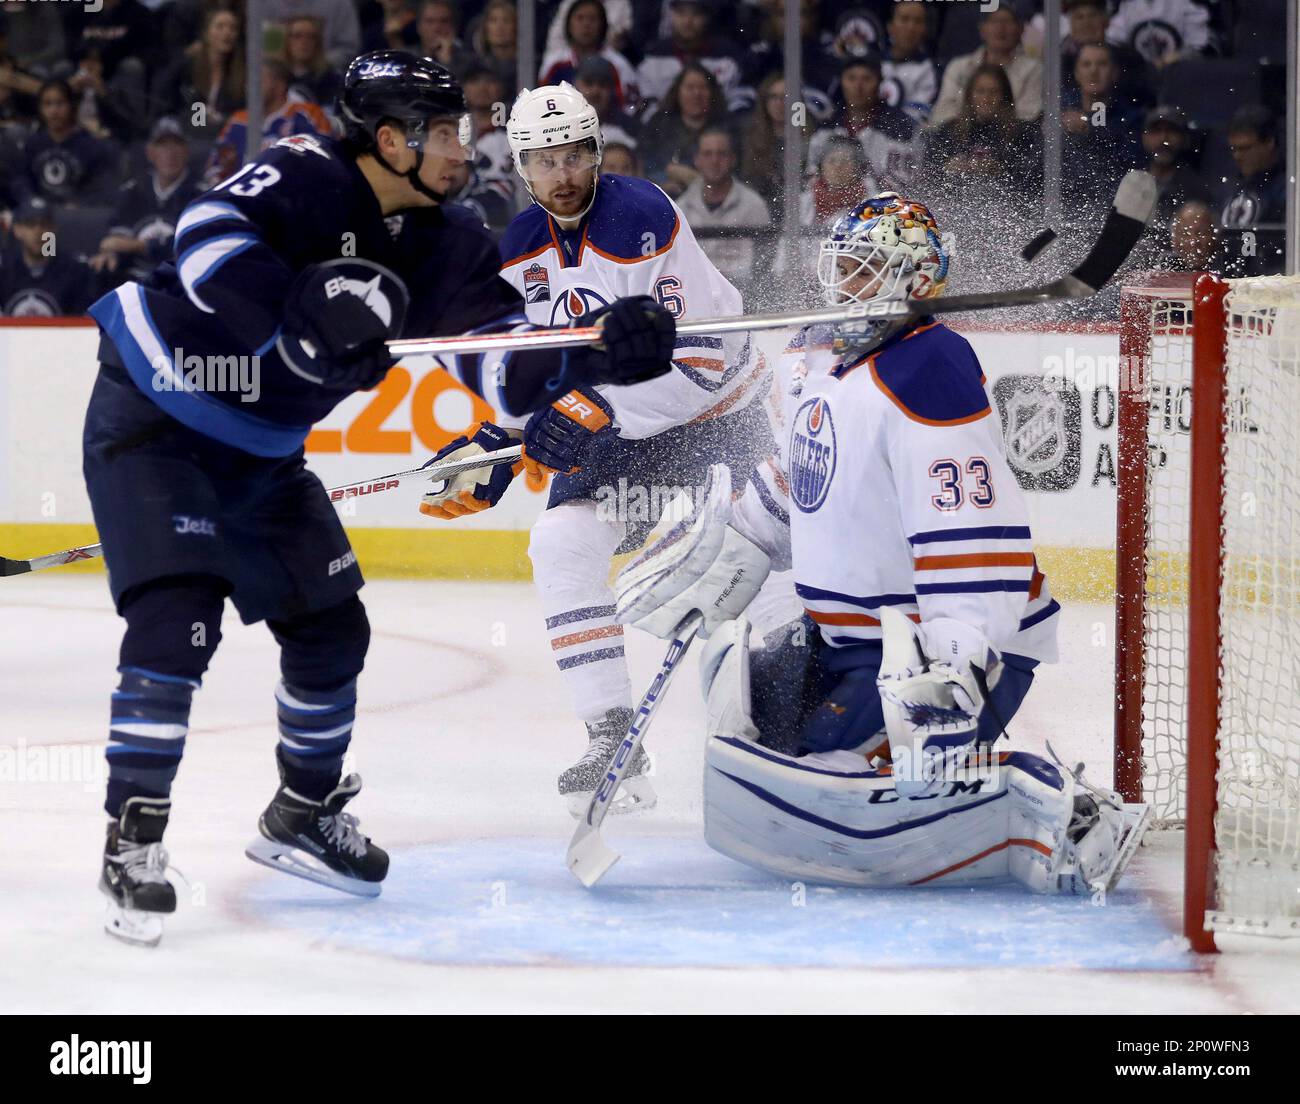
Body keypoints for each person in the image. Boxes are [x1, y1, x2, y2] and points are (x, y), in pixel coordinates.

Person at [83, 52, 676, 946]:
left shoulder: (449, 244)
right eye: (446, 133)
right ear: (390, 141)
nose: (463, 149)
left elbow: (502, 362)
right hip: (157, 420)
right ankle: (134, 838)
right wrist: (292, 325)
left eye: (465, 130)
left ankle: (303, 811)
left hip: (265, 453)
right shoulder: (304, 170)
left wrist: (598, 354)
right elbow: (204, 236)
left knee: (331, 627)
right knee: (179, 618)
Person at [614, 191, 1149, 898]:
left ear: (917, 283)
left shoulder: (930, 368)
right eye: (843, 265)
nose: (845, 284)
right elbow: (795, 479)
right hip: (846, 641)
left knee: (838, 769)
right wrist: (730, 541)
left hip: (932, 650)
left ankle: (1062, 810)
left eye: (867, 269)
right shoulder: (818, 354)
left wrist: (957, 659)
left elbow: (974, 537)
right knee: (760, 727)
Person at [417, 82, 769, 815]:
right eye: (544, 161)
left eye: (575, 154)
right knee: (559, 543)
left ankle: (784, 727)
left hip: (722, 417)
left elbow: (704, 368)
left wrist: (586, 406)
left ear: (598, 152)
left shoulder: (643, 217)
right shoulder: (516, 251)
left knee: (760, 580)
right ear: (520, 168)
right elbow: (550, 375)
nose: (563, 174)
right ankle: (613, 736)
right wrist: (506, 437)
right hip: (621, 428)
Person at [89, 117, 202, 285]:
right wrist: (110, 254)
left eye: (176, 144)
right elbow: (116, 238)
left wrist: (138, 246)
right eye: (162, 145)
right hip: (136, 282)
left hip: (182, 283)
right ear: (150, 153)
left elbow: (193, 245)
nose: (170, 152)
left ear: (186, 151)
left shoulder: (200, 194)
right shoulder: (134, 191)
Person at [203, 58, 333, 186]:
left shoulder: (307, 115)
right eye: (248, 82)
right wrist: (224, 173)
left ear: (280, 85)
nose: (250, 88)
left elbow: (328, 161)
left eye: (258, 81)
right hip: (244, 199)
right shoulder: (237, 121)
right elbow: (213, 168)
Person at [675, 126, 771, 288]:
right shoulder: (681, 207)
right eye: (708, 154)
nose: (714, 161)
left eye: (721, 154)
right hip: (697, 290)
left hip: (744, 293)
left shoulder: (753, 205)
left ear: (733, 159)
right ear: (697, 160)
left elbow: (766, 262)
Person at [808, 55, 922, 191]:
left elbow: (901, 188)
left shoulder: (901, 128)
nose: (858, 86)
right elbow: (812, 180)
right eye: (851, 78)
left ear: (879, 84)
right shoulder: (826, 128)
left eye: (867, 79)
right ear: (842, 82)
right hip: (831, 208)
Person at [928, 3, 1042, 128]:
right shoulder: (959, 66)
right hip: (962, 135)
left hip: (1010, 137)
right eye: (994, 22)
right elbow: (943, 111)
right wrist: (974, 125)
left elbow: (1029, 113)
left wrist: (990, 124)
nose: (1000, 28)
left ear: (1020, 29)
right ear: (982, 30)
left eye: (1007, 22)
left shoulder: (1033, 68)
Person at [15, 79, 120, 207]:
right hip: (39, 216)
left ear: (72, 105)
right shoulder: (32, 145)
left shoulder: (92, 146)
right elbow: (20, 181)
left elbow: (103, 189)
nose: (54, 111)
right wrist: (31, 200)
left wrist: (81, 204)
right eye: (47, 104)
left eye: (60, 103)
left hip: (78, 217)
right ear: (40, 109)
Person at [636, 0, 747, 114]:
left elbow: (740, 98)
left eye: (696, 14)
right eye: (681, 13)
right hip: (666, 126)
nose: (687, 21)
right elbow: (646, 101)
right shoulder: (654, 54)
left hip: (718, 125)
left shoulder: (727, 54)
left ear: (707, 17)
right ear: (671, 14)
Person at [638, 61, 728, 198]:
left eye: (703, 87)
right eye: (690, 88)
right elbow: (643, 162)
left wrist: (696, 178)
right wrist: (663, 180)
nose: (697, 94)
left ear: (712, 93)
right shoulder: (660, 123)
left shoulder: (726, 127)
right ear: (678, 92)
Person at [1218, 104, 1287, 277]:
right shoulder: (1232, 187)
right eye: (1234, 149)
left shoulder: (1289, 190)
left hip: (1273, 282)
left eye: (1245, 148)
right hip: (1232, 280)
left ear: (1269, 142)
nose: (1237, 156)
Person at [0, 197, 94, 315]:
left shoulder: (75, 270)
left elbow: (83, 323)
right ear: (17, 230)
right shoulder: (4, 269)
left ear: (54, 229)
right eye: (30, 224)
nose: (38, 231)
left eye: (44, 225)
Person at [538, 0, 637, 111]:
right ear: (569, 24)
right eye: (580, 18)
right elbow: (543, 108)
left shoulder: (618, 65)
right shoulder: (554, 64)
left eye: (593, 19)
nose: (586, 24)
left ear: (602, 24)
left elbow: (629, 110)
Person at [879, 0, 938, 123]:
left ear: (925, 29)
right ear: (890, 27)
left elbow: (919, 119)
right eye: (904, 19)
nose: (911, 27)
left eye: (918, 21)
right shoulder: (871, 63)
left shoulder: (933, 70)